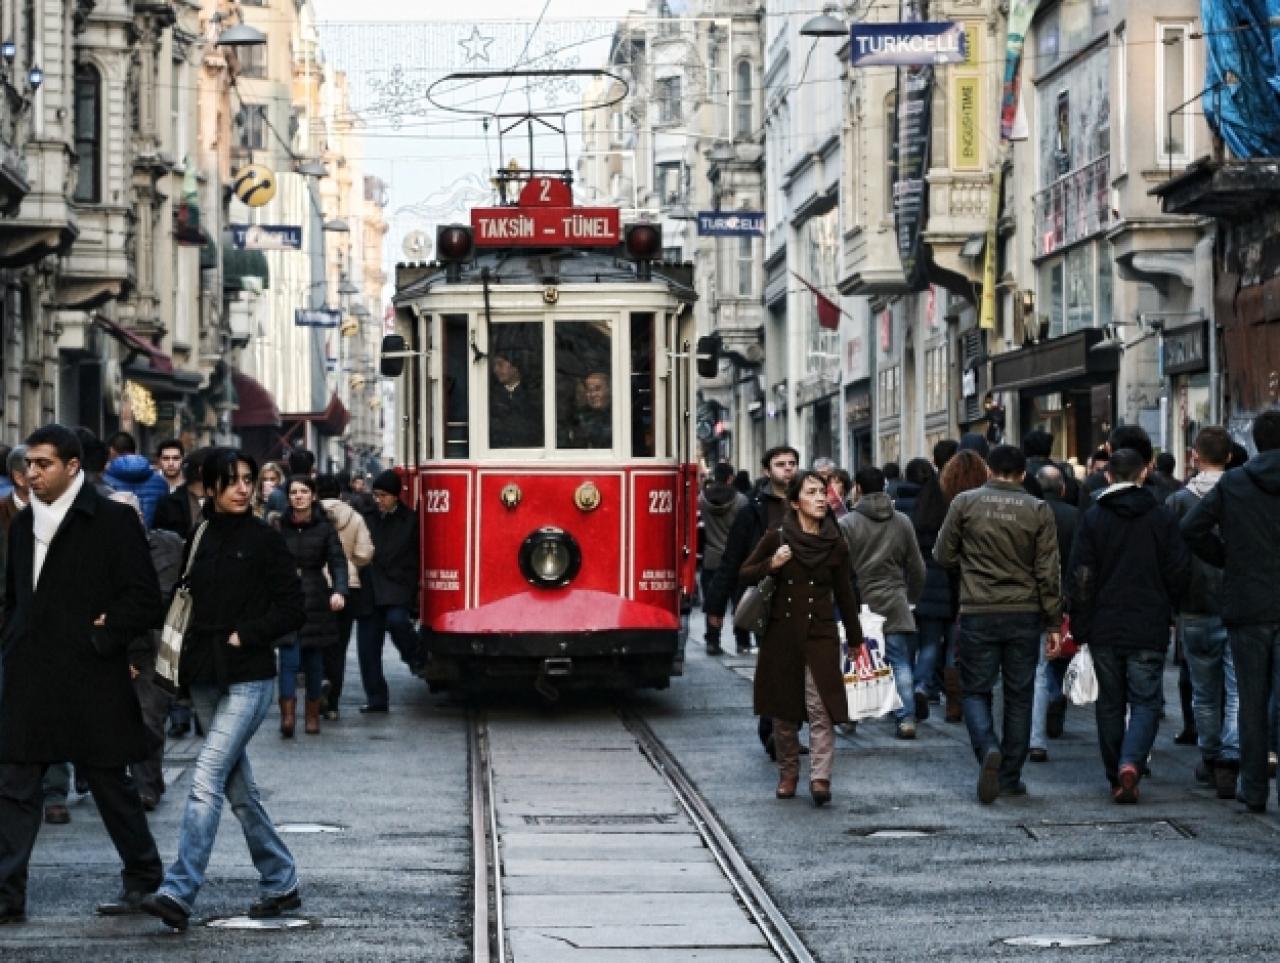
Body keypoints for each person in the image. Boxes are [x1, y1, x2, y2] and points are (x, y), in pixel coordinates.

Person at [0, 424, 164, 923]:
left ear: (72, 467)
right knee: (15, 782)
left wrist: (105, 635)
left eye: (43, 464)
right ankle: (7, 896)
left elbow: (143, 598)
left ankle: (143, 876)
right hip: (31, 672)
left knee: (109, 780)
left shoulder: (112, 520)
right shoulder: (22, 526)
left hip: (92, 674)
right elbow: (15, 600)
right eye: (28, 464)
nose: (32, 473)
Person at [139, 448, 306, 931]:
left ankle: (179, 889)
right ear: (209, 487)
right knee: (238, 790)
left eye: (247, 480)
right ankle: (281, 878)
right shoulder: (202, 533)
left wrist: (247, 633)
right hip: (207, 675)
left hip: (250, 676)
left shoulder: (264, 539)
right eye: (230, 480)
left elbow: (293, 607)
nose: (241, 488)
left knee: (205, 778)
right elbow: (182, 598)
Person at [935, 445, 1062, 804]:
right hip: (1024, 612)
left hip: (978, 609)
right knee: (1020, 695)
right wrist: (1053, 621)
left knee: (976, 690)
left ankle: (987, 748)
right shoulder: (1038, 509)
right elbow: (1048, 571)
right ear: (1023, 474)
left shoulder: (964, 503)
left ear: (989, 470)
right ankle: (1009, 776)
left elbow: (942, 554)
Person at [1067, 448, 1190, 804]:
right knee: (1146, 700)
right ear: (1144, 473)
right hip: (1148, 621)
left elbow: (1081, 575)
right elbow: (1178, 567)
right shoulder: (1160, 515)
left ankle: (1115, 773)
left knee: (1110, 702)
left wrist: (1081, 622)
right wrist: (1169, 605)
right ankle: (1132, 762)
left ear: (1108, 476)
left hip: (1105, 621)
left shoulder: (1094, 517)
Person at [739, 470, 864, 806]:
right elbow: (745, 572)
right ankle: (789, 772)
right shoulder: (777, 538)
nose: (821, 498)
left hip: (821, 635)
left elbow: (846, 595)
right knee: (784, 711)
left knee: (821, 707)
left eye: (823, 492)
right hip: (783, 635)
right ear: (795, 502)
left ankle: (820, 778)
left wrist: (856, 639)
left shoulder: (835, 544)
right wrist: (772, 564)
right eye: (812, 493)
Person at [1182, 409, 1280, 813]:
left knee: (1252, 701)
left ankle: (1254, 787)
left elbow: (1191, 528)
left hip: (1247, 604)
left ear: (1255, 441)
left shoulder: (1236, 483)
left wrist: (1227, 558)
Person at [1165, 426, 1239, 799]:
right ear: (1229, 457)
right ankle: (1231, 756)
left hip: (1193, 607)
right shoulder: (1241, 494)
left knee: (1204, 691)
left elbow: (1169, 557)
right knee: (1237, 690)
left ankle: (1210, 756)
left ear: (1194, 455)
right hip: (1239, 603)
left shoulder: (1178, 502)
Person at [109, 492, 183, 811]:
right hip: (116, 642)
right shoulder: (101, 553)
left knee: (150, 715)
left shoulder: (167, 545)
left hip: (160, 643)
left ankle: (146, 785)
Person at [839, 466, 926, 739]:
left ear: (858, 488)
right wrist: (911, 598)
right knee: (899, 661)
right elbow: (917, 567)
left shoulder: (848, 524)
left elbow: (839, 569)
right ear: (885, 486)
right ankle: (906, 718)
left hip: (859, 601)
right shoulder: (901, 521)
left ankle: (851, 716)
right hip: (895, 599)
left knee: (854, 661)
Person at [705, 446, 800, 659]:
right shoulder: (751, 511)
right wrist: (716, 606)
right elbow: (733, 560)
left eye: (792, 464)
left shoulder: (810, 505)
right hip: (767, 597)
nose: (788, 469)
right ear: (767, 471)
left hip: (805, 598)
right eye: (780, 464)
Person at [274, 476, 348, 737]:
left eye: (304, 491)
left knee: (315, 660)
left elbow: (338, 562)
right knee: (289, 659)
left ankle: (313, 715)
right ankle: (288, 717)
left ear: (313, 495)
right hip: (287, 596)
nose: (298, 496)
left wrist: (339, 590)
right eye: (293, 492)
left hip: (316, 596)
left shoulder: (325, 528)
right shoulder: (279, 526)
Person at [356, 470, 421, 713]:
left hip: (397, 585)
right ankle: (376, 698)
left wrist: (412, 587)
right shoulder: (367, 517)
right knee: (367, 648)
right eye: (376, 495)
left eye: (383, 495)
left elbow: (415, 555)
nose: (378, 500)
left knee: (397, 622)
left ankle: (414, 654)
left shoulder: (410, 519)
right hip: (370, 587)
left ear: (396, 496)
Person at [1028, 464, 1079, 763]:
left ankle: (1037, 732)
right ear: (1062, 488)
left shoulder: (1030, 514)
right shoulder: (1074, 516)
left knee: (1036, 667)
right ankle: (1056, 695)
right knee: (1060, 652)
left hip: (1032, 598)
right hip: (1065, 595)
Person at [912, 440, 963, 722]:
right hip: (952, 580)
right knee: (953, 643)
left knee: (930, 641)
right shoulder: (957, 493)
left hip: (929, 580)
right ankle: (952, 697)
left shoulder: (928, 494)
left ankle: (921, 685)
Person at [317, 474, 375, 719]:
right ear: (340, 493)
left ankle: (317, 685)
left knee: (315, 643)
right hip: (347, 586)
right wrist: (351, 565)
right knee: (339, 648)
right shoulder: (355, 517)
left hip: (315, 584)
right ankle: (333, 705)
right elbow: (365, 552)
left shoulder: (309, 515)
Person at [698, 462, 748, 656]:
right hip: (736, 558)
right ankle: (742, 642)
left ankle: (712, 640)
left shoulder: (702, 499)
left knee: (714, 601)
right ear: (730, 478)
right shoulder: (741, 501)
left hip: (711, 558)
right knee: (740, 602)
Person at [103, 431, 170, 527]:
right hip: (151, 539)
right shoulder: (161, 482)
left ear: (111, 451)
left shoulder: (104, 479)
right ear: (134, 450)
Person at [489, 352, 542, 448]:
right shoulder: (490, 396)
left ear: (515, 367)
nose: (495, 370)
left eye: (500, 364)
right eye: (494, 365)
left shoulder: (533, 396)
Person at [154, 447, 209, 538]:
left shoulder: (222, 500)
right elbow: (160, 541)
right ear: (201, 470)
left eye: (176, 458)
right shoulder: (168, 503)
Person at [565, 371, 612, 449]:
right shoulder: (579, 417)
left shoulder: (619, 413)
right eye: (589, 390)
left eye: (597, 389)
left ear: (608, 390)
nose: (592, 395)